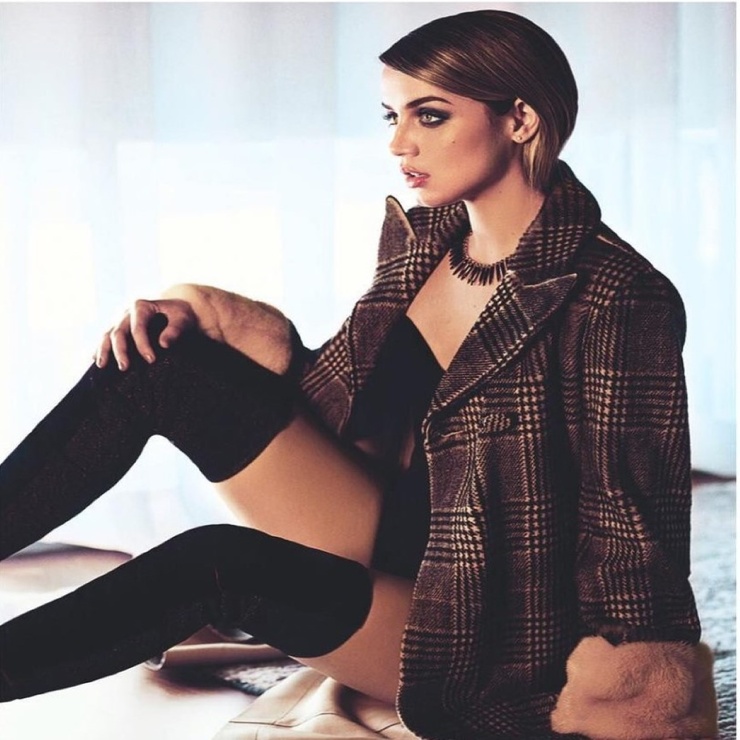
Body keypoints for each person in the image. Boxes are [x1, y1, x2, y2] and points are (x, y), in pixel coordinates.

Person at [0, 9, 719, 739]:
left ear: (520, 119)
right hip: (380, 525)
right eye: (391, 116)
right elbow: (346, 400)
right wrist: (220, 331)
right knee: (154, 364)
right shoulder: (426, 241)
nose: (398, 143)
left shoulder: (617, 296)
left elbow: (630, 519)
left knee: (215, 564)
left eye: (430, 116)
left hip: (481, 627)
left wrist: (628, 694)